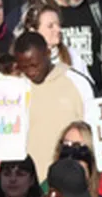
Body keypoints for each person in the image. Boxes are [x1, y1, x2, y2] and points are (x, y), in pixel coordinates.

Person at [14, 33, 86, 188]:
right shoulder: (15, 88)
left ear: (47, 53)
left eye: (34, 65)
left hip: (69, 181)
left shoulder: (76, 82)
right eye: (24, 67)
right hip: (29, 184)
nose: (31, 72)